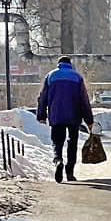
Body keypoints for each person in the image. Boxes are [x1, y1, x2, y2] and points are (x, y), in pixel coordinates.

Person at [37, 55, 94, 183]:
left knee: (57, 142)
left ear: (59, 64)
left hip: (56, 115)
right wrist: (89, 120)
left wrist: (41, 115)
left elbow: (42, 97)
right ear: (70, 64)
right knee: (72, 143)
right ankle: (70, 172)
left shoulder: (51, 76)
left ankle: (58, 160)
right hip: (74, 116)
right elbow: (84, 100)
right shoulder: (77, 77)